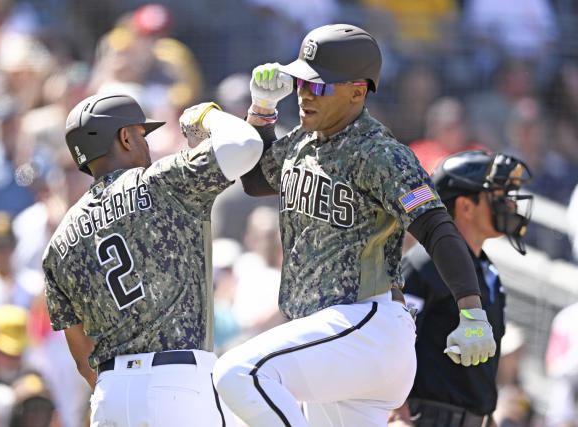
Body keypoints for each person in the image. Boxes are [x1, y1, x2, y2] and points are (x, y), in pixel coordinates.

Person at [213, 24, 497, 426]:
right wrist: (261, 111)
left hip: (367, 324)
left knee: (239, 373)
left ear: (358, 91)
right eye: (301, 82)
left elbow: (436, 227)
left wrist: (472, 310)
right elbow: (257, 181)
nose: (305, 93)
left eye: (320, 86)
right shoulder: (302, 140)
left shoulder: (380, 154)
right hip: (329, 338)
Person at [42, 93, 262, 426]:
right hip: (179, 383)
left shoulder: (58, 244)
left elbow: (83, 358)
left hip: (110, 395)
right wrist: (206, 117)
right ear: (125, 137)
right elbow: (247, 143)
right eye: (142, 135)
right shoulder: (161, 182)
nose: (148, 145)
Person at [389, 150, 533, 426]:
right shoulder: (423, 263)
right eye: (499, 195)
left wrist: (485, 413)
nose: (510, 205)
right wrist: (398, 409)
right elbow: (393, 339)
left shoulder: (488, 272)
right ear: (466, 206)